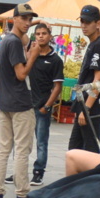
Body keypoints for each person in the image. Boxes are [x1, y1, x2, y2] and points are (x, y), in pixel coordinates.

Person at [0, 3, 40, 198]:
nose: (28, 23)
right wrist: (33, 56)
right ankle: (22, 194)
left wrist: (32, 25)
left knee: (3, 149)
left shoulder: (7, 41)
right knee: (21, 151)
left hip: (6, 103)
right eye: (24, 18)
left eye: (30, 19)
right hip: (20, 103)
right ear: (14, 19)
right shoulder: (15, 43)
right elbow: (21, 74)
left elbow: (25, 37)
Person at [68, 5, 100, 153]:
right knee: (75, 151)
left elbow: (98, 81)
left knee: (88, 151)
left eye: (88, 22)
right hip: (85, 105)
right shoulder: (94, 44)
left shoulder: (99, 45)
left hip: (90, 108)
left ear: (98, 23)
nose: (84, 26)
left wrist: (86, 109)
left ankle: (93, 176)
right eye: (82, 22)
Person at [28, 22, 63, 187]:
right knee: (22, 141)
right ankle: (19, 171)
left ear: (50, 36)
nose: (41, 36)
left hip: (42, 107)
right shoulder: (31, 54)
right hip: (27, 106)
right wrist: (33, 23)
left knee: (41, 141)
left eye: (44, 33)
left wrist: (47, 106)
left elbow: (57, 87)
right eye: (38, 33)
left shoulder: (55, 60)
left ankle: (38, 172)